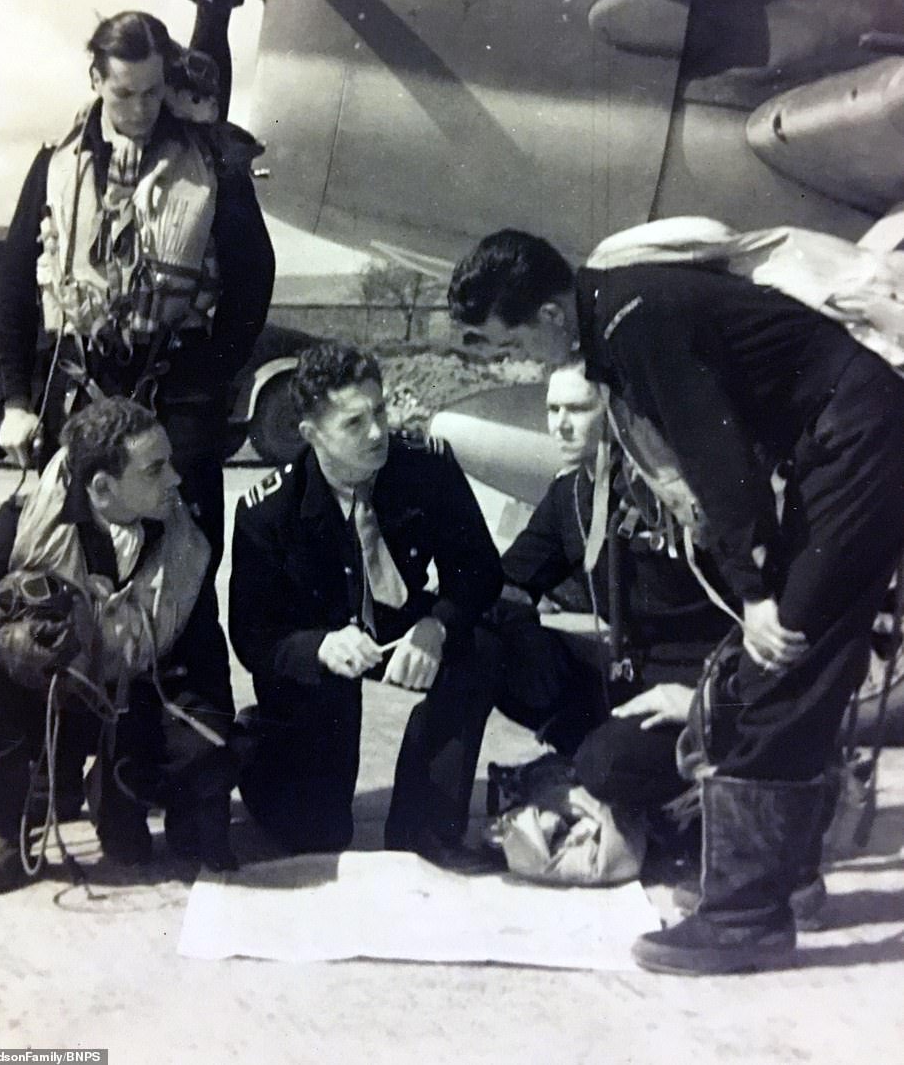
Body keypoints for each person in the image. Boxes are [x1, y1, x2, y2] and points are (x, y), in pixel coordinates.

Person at [448, 227, 904, 974]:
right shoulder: (623, 310)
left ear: (553, 317)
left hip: (858, 437)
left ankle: (745, 917)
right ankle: (780, 889)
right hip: (848, 433)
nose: (524, 359)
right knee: (795, 670)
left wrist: (758, 593)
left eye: (518, 339)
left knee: (784, 660)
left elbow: (715, 459)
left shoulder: (636, 324)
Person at [0, 10, 274, 571]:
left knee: (187, 561)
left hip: (179, 390)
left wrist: (213, 369)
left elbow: (253, 277)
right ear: (96, 79)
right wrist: (18, 402)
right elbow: (15, 284)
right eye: (125, 93)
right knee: (69, 562)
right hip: (78, 388)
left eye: (153, 92)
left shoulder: (213, 162)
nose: (142, 109)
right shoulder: (55, 166)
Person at [0, 397, 238, 896]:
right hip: (50, 698)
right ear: (102, 487)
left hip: (134, 703)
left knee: (136, 848)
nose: (176, 481)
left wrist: (206, 768)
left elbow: (205, 653)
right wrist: (1, 635)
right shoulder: (24, 524)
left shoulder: (187, 537)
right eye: (155, 469)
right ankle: (5, 822)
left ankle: (116, 792)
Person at [229, 342, 503, 868]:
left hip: (397, 618)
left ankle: (424, 823)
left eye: (379, 410)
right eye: (354, 423)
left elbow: (480, 570)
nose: (377, 431)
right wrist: (320, 649)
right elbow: (253, 635)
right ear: (311, 434)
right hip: (322, 644)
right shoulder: (267, 512)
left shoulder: (427, 468)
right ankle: (255, 743)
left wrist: (436, 626)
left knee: (483, 648)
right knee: (317, 834)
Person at [488, 359, 733, 827]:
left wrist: (709, 700)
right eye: (552, 408)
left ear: (617, 412)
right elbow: (506, 581)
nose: (560, 425)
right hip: (621, 674)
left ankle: (712, 778)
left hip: (694, 680)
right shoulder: (573, 495)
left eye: (578, 408)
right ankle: (605, 767)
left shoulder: (680, 491)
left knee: (607, 767)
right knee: (493, 645)